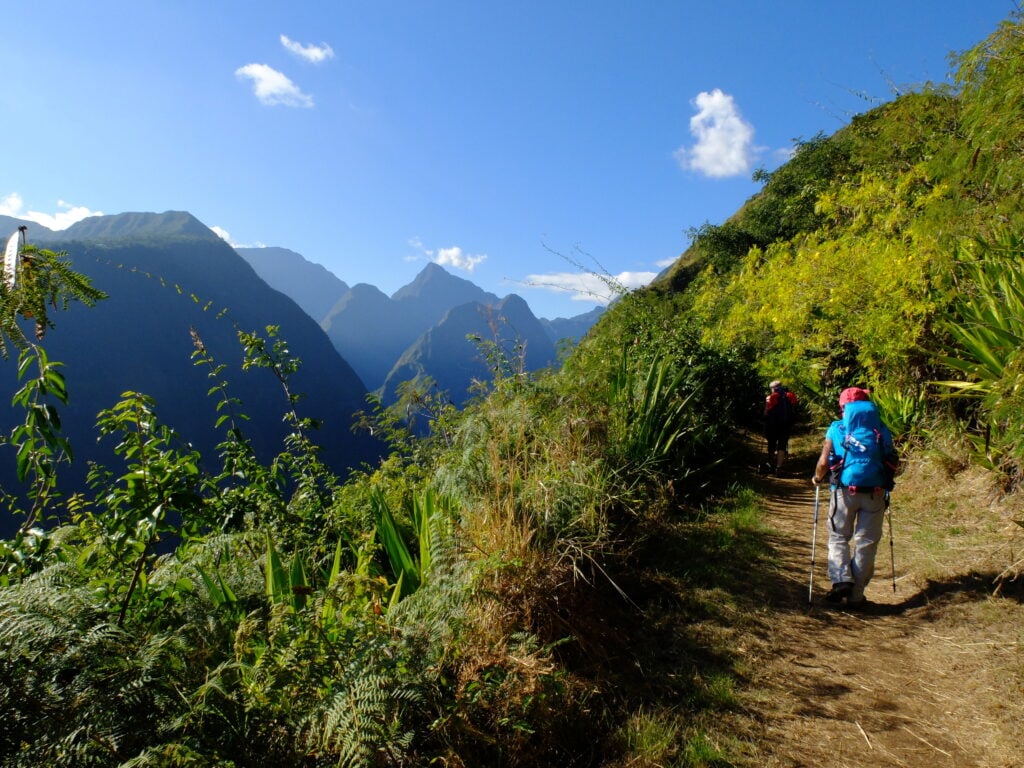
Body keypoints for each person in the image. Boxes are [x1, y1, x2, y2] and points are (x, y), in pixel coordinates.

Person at [811, 387, 898, 608]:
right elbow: (891, 458)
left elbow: (823, 463)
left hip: (843, 492)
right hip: (875, 493)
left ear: (842, 407)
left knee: (839, 536)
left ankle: (841, 580)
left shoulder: (836, 428)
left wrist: (817, 478)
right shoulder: (880, 428)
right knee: (866, 543)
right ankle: (856, 596)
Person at [764, 380, 798, 475]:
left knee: (771, 444)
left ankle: (770, 464)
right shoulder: (790, 395)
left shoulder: (770, 397)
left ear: (773, 388)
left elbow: (766, 412)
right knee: (782, 446)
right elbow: (794, 406)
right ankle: (779, 467)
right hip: (786, 425)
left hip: (773, 425)